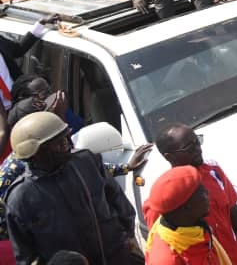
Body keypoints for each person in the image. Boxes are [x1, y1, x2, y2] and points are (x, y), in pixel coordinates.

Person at [6, 111, 138, 265]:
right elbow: (26, 257)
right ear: (37, 152)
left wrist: (127, 235)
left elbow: (116, 198)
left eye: (67, 137)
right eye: (60, 142)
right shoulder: (20, 198)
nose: (69, 144)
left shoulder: (86, 161)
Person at [150, 124, 237, 265]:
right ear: (169, 157)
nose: (198, 149)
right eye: (190, 147)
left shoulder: (214, 171)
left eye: (198, 141)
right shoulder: (167, 197)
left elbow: (234, 213)